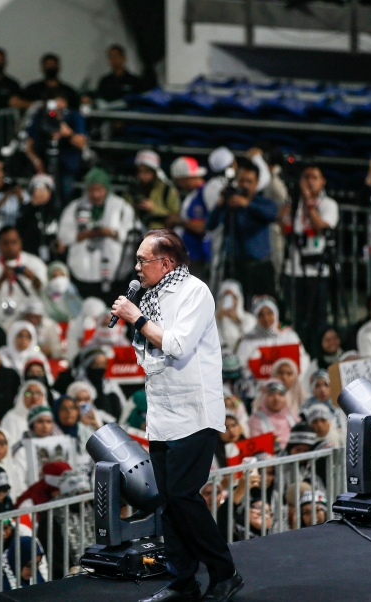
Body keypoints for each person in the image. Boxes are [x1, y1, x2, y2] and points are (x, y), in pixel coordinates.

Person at [108, 229, 242, 602]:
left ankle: (224, 572)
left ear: (166, 263)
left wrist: (137, 319)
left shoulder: (195, 292)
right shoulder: (151, 297)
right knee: (168, 500)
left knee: (184, 495)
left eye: (142, 260)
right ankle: (183, 580)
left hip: (195, 412)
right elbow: (150, 355)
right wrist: (139, 320)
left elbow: (179, 346)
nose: (136, 267)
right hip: (163, 413)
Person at [282, 164, 338, 355]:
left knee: (317, 319)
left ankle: (316, 355)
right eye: (305, 177)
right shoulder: (295, 204)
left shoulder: (328, 204)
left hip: (318, 270)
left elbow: (322, 226)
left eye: (314, 177)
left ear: (322, 181)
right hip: (294, 269)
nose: (309, 182)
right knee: (296, 317)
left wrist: (309, 203)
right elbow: (286, 232)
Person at [57, 167, 135, 304]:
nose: (96, 194)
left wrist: (111, 232)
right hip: (83, 272)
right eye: (92, 190)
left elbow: (133, 233)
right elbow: (63, 235)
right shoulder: (75, 207)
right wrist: (85, 234)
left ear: (107, 188)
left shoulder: (121, 206)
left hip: (114, 273)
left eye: (99, 190)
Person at [207, 157, 279, 303]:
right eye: (241, 180)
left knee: (265, 307)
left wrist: (247, 205)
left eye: (249, 181)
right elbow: (210, 225)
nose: (244, 185)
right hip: (234, 266)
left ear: (257, 183)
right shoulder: (230, 203)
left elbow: (272, 215)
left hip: (260, 267)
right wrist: (221, 204)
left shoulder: (263, 202)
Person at [0, 226, 47, 329]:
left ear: (20, 243)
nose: (10, 247)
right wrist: (1, 279)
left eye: (14, 242)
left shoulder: (34, 262)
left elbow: (45, 290)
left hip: (28, 325)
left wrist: (32, 277)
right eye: (5, 243)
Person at [24, 94, 87, 205]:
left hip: (67, 166)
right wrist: (35, 160)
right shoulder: (41, 116)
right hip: (43, 165)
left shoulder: (73, 116)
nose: (57, 106)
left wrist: (69, 133)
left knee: (66, 196)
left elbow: (82, 144)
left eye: (61, 101)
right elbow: (28, 145)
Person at [171, 157, 212, 281]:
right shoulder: (193, 194)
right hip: (188, 254)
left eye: (179, 181)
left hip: (197, 254)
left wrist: (178, 221)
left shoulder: (202, 194)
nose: (178, 184)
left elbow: (201, 227)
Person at [124, 150, 180, 231]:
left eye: (146, 171)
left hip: (160, 235)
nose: (142, 176)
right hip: (135, 233)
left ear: (154, 172)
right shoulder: (132, 190)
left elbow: (175, 217)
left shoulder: (167, 190)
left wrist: (153, 208)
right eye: (139, 171)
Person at [15, 54, 80, 110]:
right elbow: (17, 102)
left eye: (53, 64)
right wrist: (39, 106)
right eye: (48, 64)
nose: (51, 67)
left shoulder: (68, 91)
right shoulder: (32, 89)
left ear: (58, 67)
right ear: (43, 67)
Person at [247, 381, 298, 450]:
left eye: (281, 394)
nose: (276, 398)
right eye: (271, 394)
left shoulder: (293, 418)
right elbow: (256, 447)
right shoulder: (256, 421)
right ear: (264, 397)